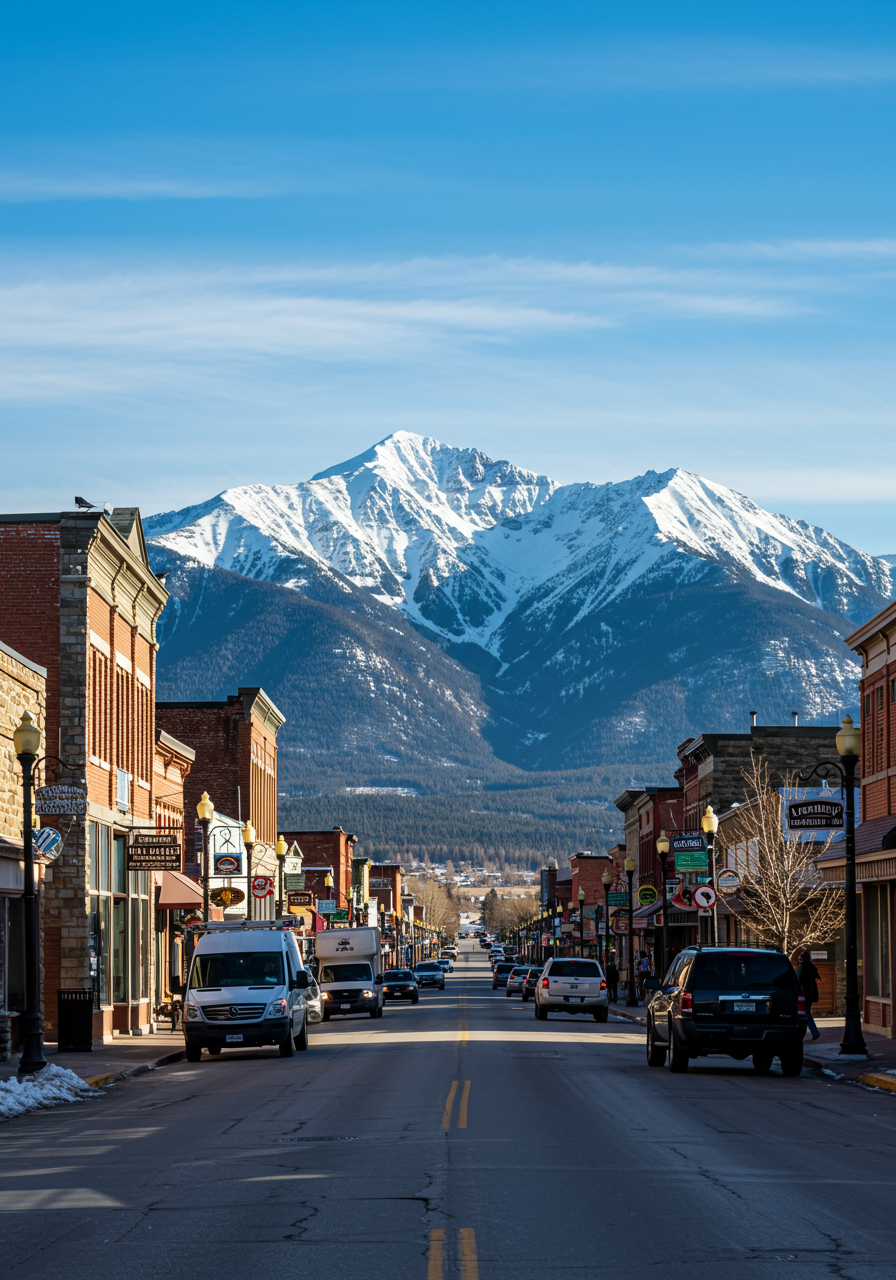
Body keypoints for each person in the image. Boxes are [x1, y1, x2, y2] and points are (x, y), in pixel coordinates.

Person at [797, 949, 822, 1041]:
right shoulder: (811, 967)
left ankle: (814, 1032)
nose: (798, 958)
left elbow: (797, 980)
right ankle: (814, 1032)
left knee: (804, 1014)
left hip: (802, 995)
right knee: (807, 1013)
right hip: (810, 995)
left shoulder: (802, 967)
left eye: (800, 956)